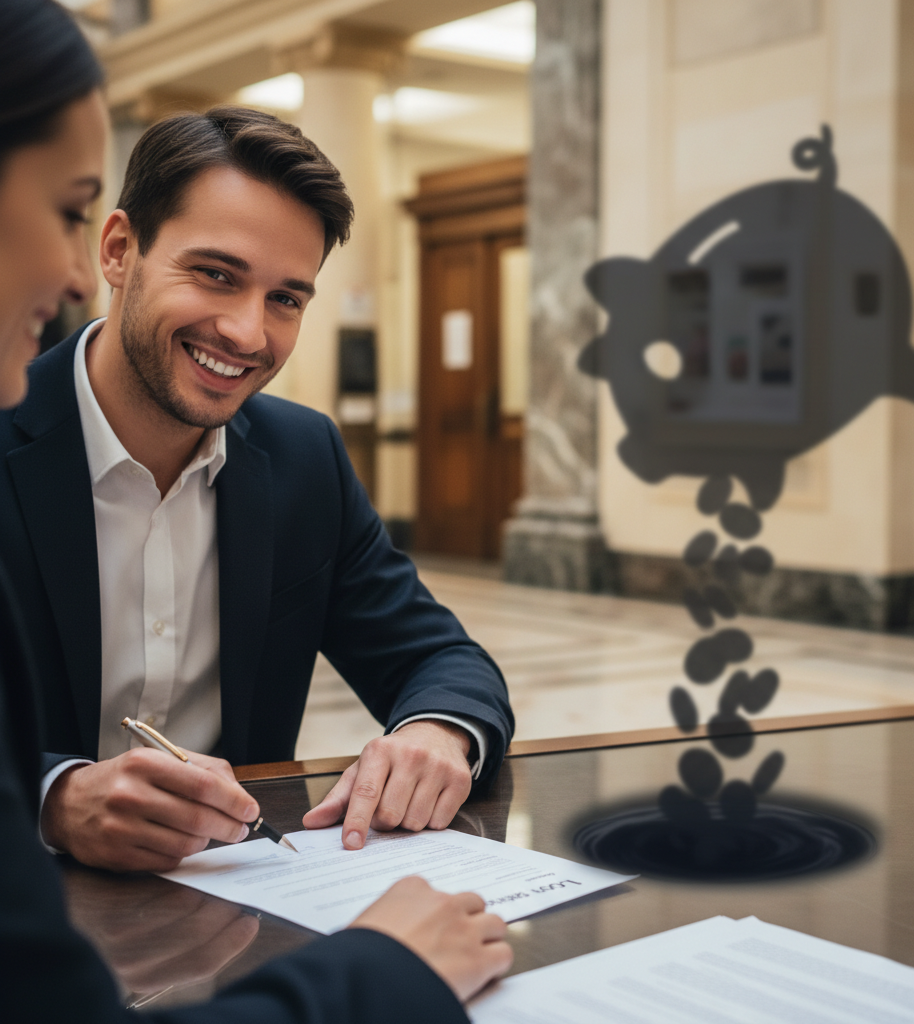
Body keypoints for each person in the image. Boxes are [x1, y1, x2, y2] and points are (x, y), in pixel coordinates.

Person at [0, 2, 511, 1020]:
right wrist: (57, 798)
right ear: (115, 249)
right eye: (215, 274)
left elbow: (438, 656)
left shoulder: (303, 455)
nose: (248, 330)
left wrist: (436, 733)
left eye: (287, 297)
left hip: (238, 930)